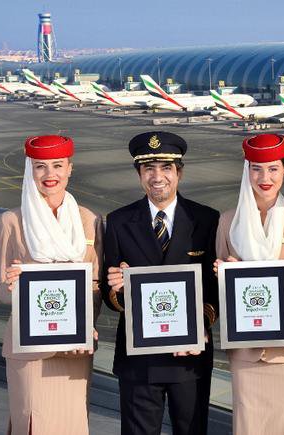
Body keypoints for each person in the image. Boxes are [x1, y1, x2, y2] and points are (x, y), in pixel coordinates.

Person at [102, 131, 219, 435]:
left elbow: (214, 289)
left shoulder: (206, 220)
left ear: (179, 172)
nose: (157, 177)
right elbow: (108, 293)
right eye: (148, 168)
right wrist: (117, 289)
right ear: (139, 174)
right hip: (139, 358)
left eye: (166, 168)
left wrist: (201, 326)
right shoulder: (118, 221)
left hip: (189, 356)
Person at [0, 135, 103, 434]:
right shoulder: (12, 220)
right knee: (33, 421)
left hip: (74, 348)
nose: (49, 174)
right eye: (40, 166)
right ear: (30, 171)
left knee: (71, 424)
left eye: (57, 165)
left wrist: (86, 325)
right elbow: (1, 290)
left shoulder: (89, 220)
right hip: (29, 347)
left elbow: (94, 283)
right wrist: (12, 287)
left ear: (70, 168)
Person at [215, 133, 284, 435]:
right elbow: (221, 289)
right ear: (246, 171)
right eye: (256, 169)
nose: (265, 178)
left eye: (273, 169)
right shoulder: (228, 221)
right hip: (245, 348)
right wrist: (224, 275)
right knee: (248, 426)